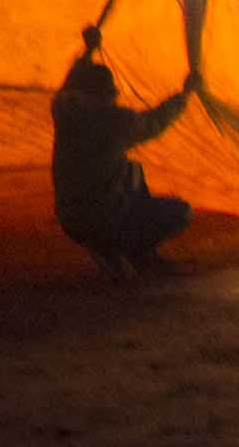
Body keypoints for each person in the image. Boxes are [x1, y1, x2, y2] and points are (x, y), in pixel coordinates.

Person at [49, 25, 193, 274]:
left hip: (70, 219)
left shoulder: (64, 111)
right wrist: (185, 95)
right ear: (105, 95)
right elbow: (155, 122)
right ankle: (126, 249)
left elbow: (70, 83)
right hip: (103, 218)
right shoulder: (114, 120)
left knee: (131, 170)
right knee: (180, 212)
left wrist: (88, 50)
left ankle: (120, 250)